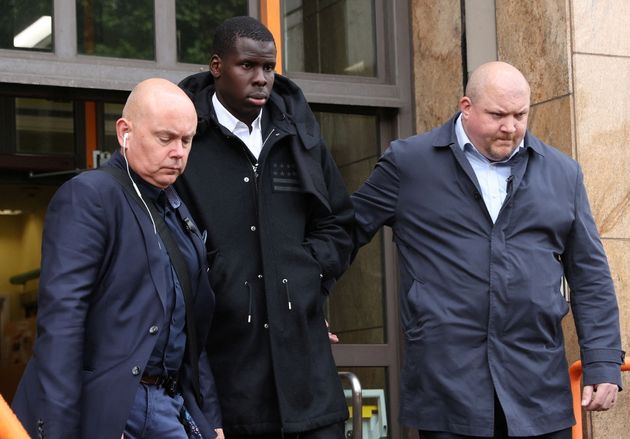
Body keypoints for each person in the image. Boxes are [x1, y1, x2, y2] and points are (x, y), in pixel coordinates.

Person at [351, 61, 625, 438]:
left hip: (539, 392)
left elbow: (590, 276)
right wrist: (306, 302)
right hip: (447, 389)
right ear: (466, 106)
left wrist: (604, 361)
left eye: (520, 115)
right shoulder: (409, 164)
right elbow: (343, 231)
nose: (510, 127)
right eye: (497, 115)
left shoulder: (564, 174)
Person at [12, 78, 223, 439]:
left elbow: (191, 327)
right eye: (165, 138)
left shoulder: (178, 209)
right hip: (105, 406)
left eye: (186, 140)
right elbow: (62, 323)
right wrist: (61, 427)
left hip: (169, 402)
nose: (178, 152)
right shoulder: (90, 195)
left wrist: (211, 419)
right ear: (125, 131)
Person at [174, 16, 354, 438]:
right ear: (217, 66)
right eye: (248, 67)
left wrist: (306, 277)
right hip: (227, 375)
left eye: (269, 69)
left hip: (310, 390)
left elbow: (338, 223)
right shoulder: (184, 138)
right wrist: (214, 280)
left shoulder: (298, 133)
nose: (261, 80)